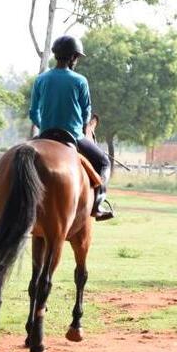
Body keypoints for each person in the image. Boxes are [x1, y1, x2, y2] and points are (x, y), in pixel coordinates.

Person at [29, 35, 113, 221]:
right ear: (73, 57)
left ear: (56, 55)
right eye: (77, 57)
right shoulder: (80, 80)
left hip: (45, 135)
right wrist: (83, 128)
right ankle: (98, 205)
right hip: (73, 136)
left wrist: (44, 125)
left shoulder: (41, 79)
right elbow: (86, 112)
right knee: (104, 162)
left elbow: (33, 112)